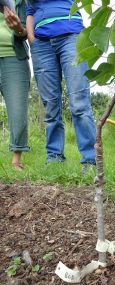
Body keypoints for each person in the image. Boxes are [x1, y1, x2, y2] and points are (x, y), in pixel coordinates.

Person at [26, 0, 96, 170]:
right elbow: (30, 10)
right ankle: (54, 158)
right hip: (41, 43)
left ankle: (90, 160)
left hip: (71, 36)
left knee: (79, 102)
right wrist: (31, 39)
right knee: (50, 106)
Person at [0, 1, 30, 171]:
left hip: (14, 57)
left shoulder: (20, 2)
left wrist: (18, 27)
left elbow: (25, 31)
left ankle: (16, 159)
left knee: (18, 110)